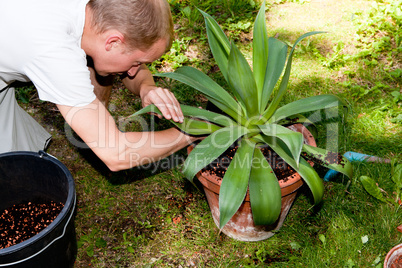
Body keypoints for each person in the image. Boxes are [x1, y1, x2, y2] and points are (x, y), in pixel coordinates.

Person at [0, 0, 198, 171]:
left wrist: (145, 87)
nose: (133, 72)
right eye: (136, 63)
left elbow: (128, 51)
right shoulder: (53, 53)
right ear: (112, 42)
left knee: (18, 161)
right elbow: (117, 153)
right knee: (9, 173)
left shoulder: (96, 12)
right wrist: (192, 132)